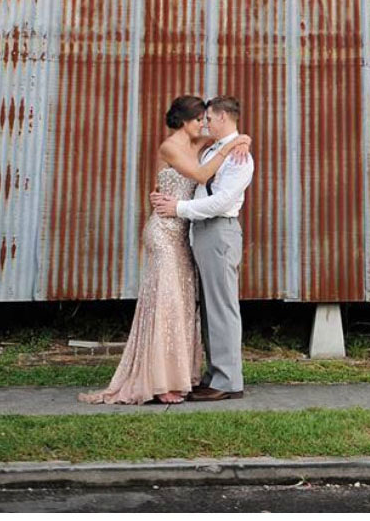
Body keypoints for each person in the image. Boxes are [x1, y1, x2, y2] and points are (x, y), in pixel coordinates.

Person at [78, 95, 250, 405]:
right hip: (166, 232)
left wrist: (242, 139)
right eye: (200, 119)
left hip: (189, 229)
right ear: (185, 122)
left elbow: (216, 181)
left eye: (208, 118)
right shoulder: (175, 146)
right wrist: (230, 144)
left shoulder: (205, 146)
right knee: (167, 304)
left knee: (184, 306)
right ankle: (161, 379)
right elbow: (199, 176)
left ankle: (193, 377)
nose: (204, 123)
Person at [151, 95, 254, 401]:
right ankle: (215, 374)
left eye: (209, 118)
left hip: (219, 230)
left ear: (222, 117)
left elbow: (221, 200)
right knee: (210, 308)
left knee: (222, 307)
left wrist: (179, 208)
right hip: (202, 232)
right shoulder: (214, 147)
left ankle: (227, 381)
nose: (205, 123)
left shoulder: (240, 157)